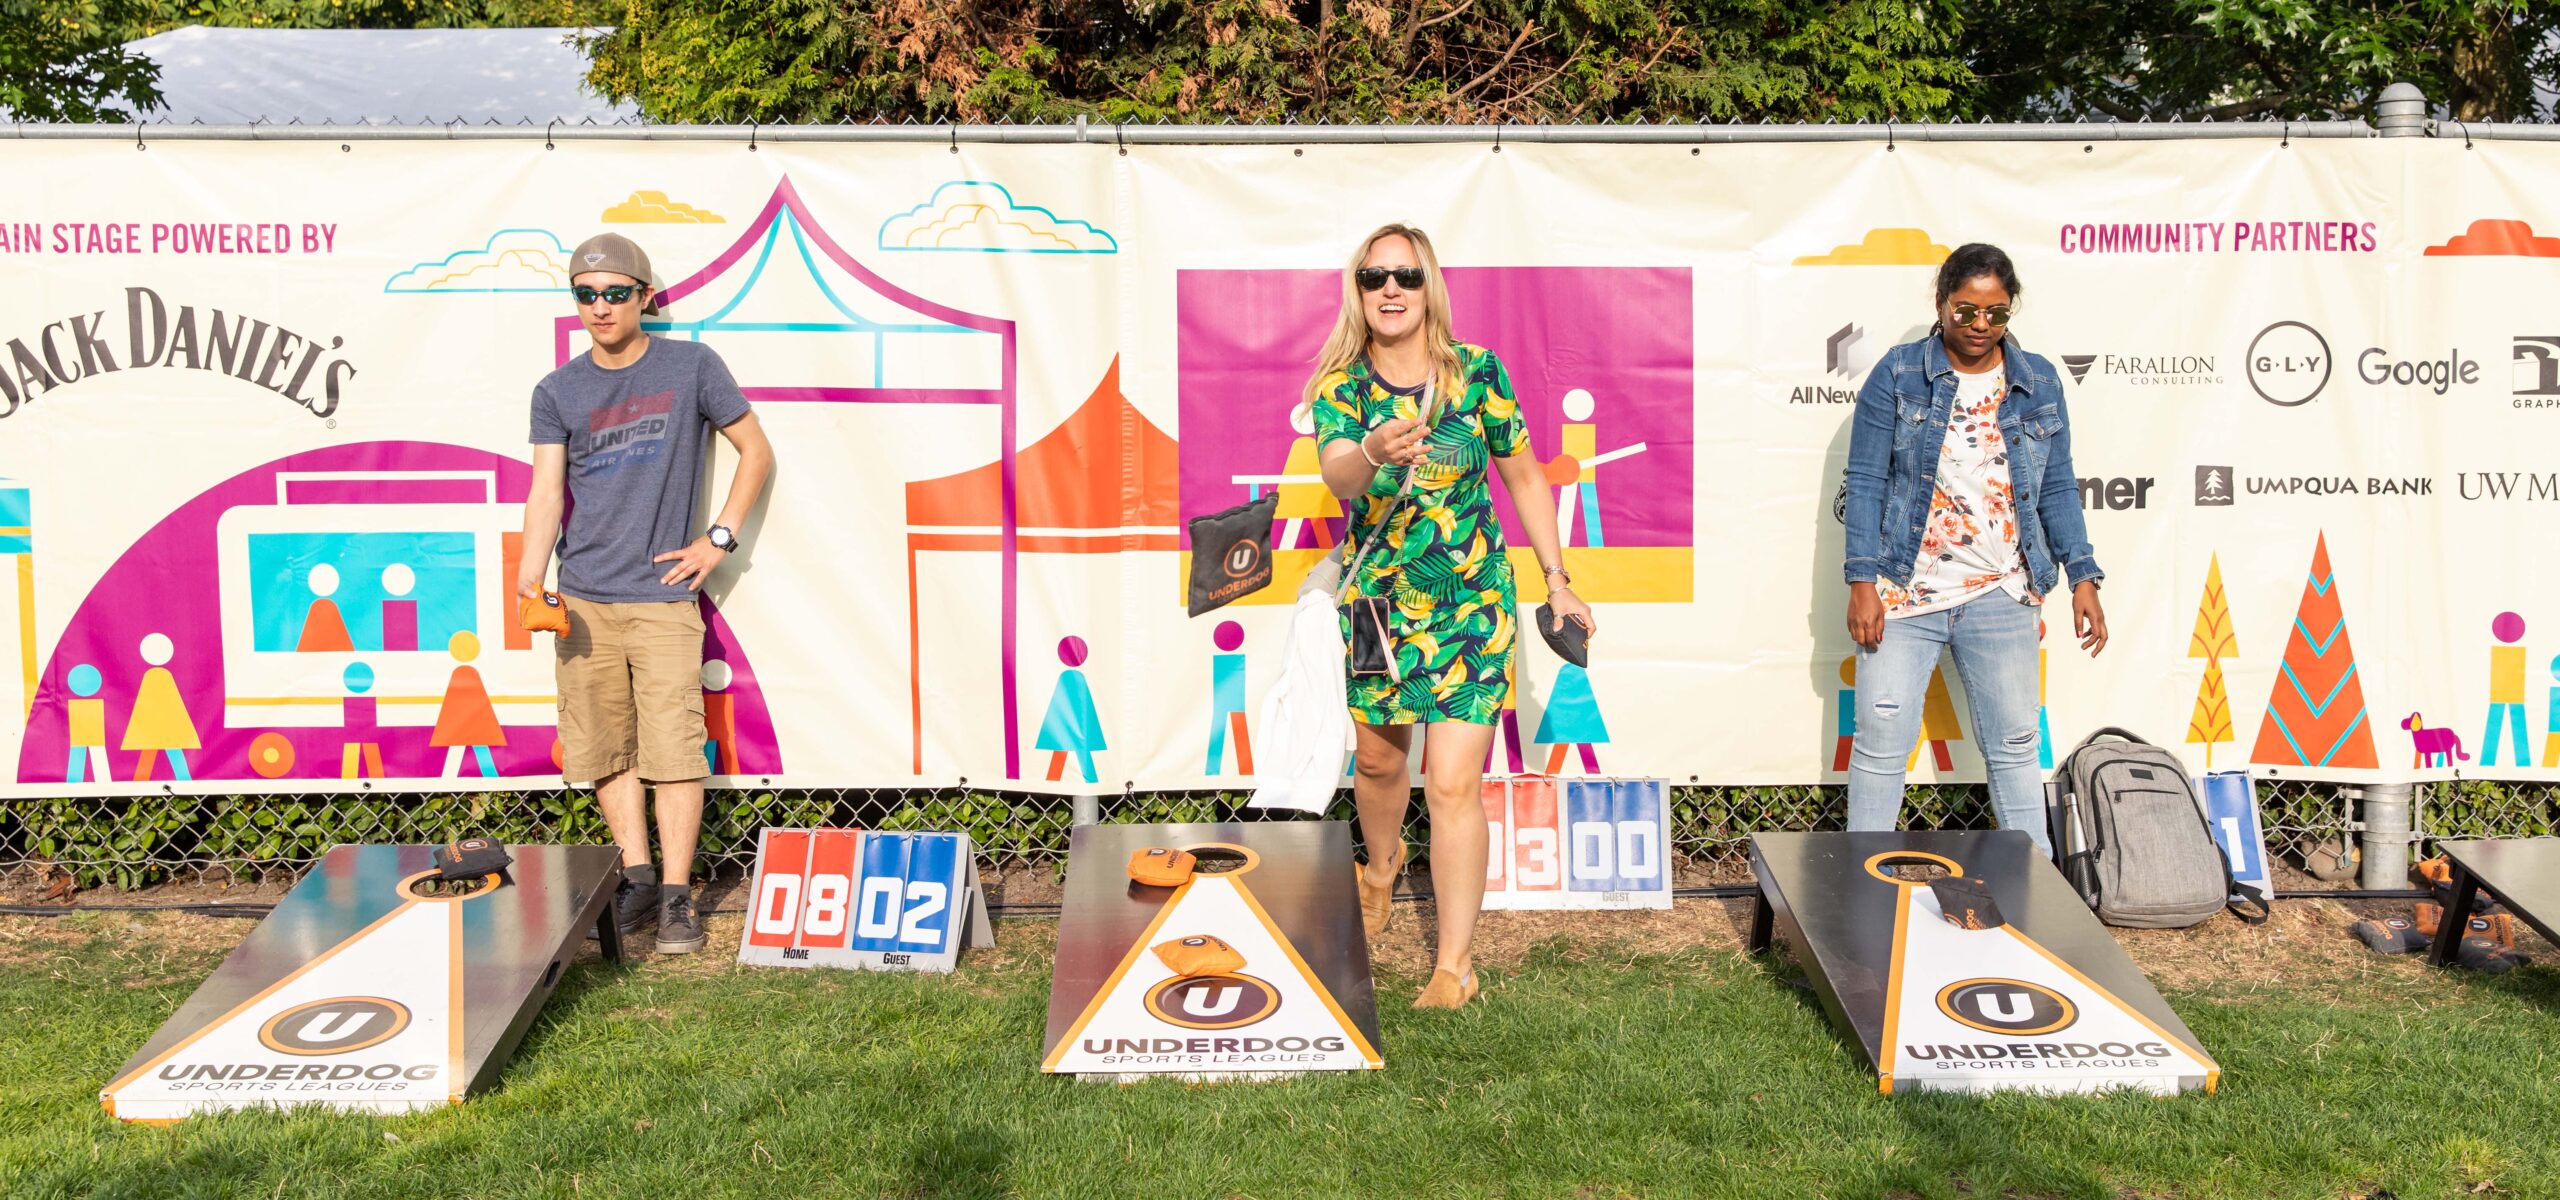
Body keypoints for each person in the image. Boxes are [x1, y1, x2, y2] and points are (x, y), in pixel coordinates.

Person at [1310, 223, 1594, 1009]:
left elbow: (1527, 479)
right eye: (1374, 278)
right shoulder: (1341, 387)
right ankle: (1379, 866)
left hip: (1471, 604)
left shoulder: (1478, 374)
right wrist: (1372, 450)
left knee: (1454, 784)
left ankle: (1454, 965)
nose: (1390, 289)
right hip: (1378, 610)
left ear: (1428, 283)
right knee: (1377, 764)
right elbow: (1338, 476)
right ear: (1359, 292)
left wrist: (1558, 579)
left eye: (1403, 274)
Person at [518, 232, 776, 954]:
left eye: (615, 292)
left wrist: (718, 541)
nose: (600, 307)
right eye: (586, 294)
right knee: (603, 747)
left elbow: (755, 450)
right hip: (584, 599)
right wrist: (528, 576)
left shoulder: (690, 365)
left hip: (662, 597)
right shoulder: (557, 390)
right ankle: (635, 877)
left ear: (645, 296)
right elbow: (545, 493)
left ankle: (676, 897)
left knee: (674, 751)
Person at [1840, 242, 2105, 853]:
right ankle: (1860, 891)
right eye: (1966, 312)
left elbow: (2058, 484)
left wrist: (2083, 576)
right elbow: (1867, 480)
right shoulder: (1899, 374)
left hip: (2004, 593)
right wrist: (1862, 584)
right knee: (1881, 742)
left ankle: (2036, 894)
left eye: (1996, 314)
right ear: (1942, 304)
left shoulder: (2036, 381)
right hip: (1906, 589)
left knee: (2015, 746)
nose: (1981, 326)